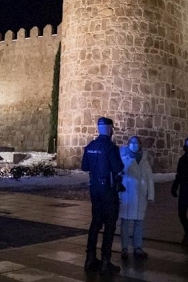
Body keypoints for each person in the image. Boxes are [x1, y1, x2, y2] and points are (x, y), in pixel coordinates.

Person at [81, 117, 124, 273]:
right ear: (109, 129)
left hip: (94, 189)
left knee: (95, 223)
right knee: (110, 225)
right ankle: (106, 261)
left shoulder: (90, 146)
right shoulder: (111, 147)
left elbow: (85, 166)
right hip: (108, 190)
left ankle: (90, 258)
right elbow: (118, 166)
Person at [119, 135, 154, 260]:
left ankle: (138, 247)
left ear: (140, 145)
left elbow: (149, 178)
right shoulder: (124, 158)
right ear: (128, 144)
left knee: (139, 221)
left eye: (136, 142)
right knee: (125, 222)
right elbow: (119, 175)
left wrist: (150, 194)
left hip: (140, 195)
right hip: (127, 194)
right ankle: (124, 248)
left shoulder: (144, 160)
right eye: (132, 142)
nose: (134, 144)